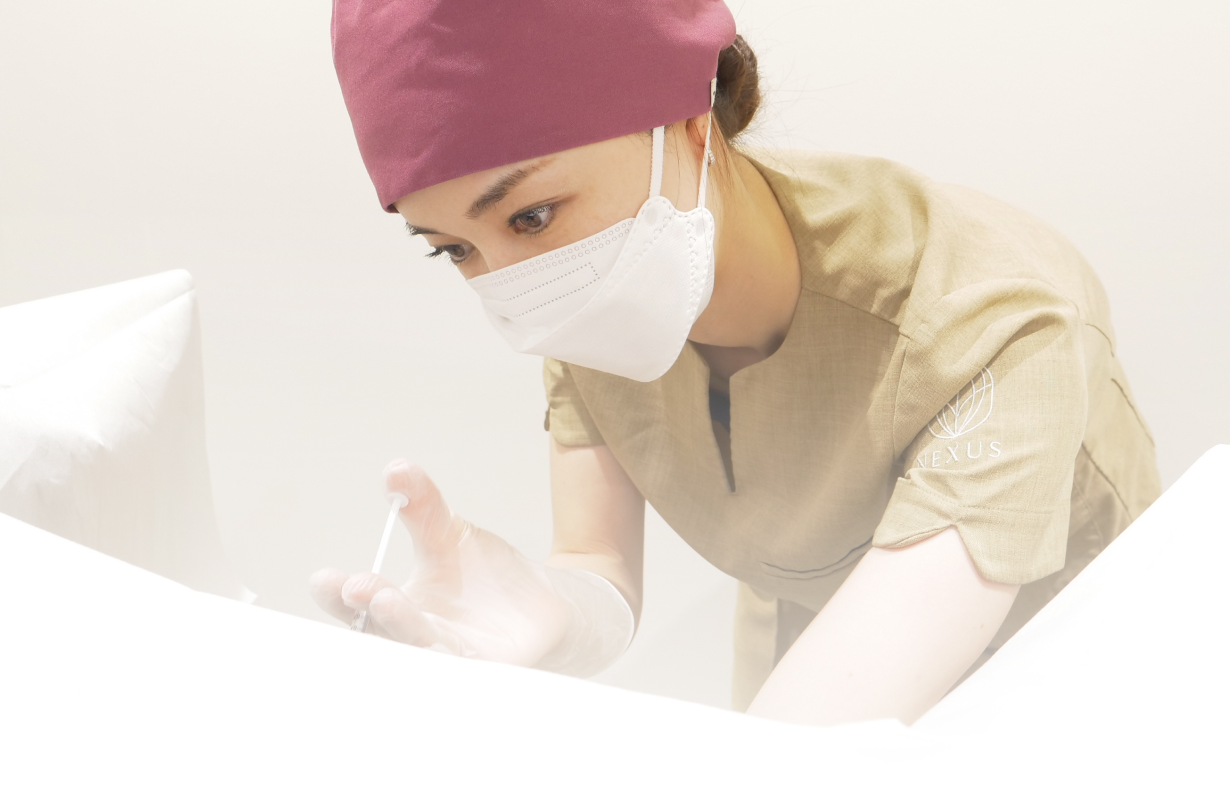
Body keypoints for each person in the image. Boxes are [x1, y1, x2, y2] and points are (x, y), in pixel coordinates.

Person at [309, 0, 1160, 725]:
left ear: (689, 126)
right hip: (807, 633)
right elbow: (600, 566)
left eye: (531, 217)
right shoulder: (599, 302)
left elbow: (811, 732)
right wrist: (553, 613)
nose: (513, 285)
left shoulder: (993, 317)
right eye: (452, 248)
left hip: (1060, 670)